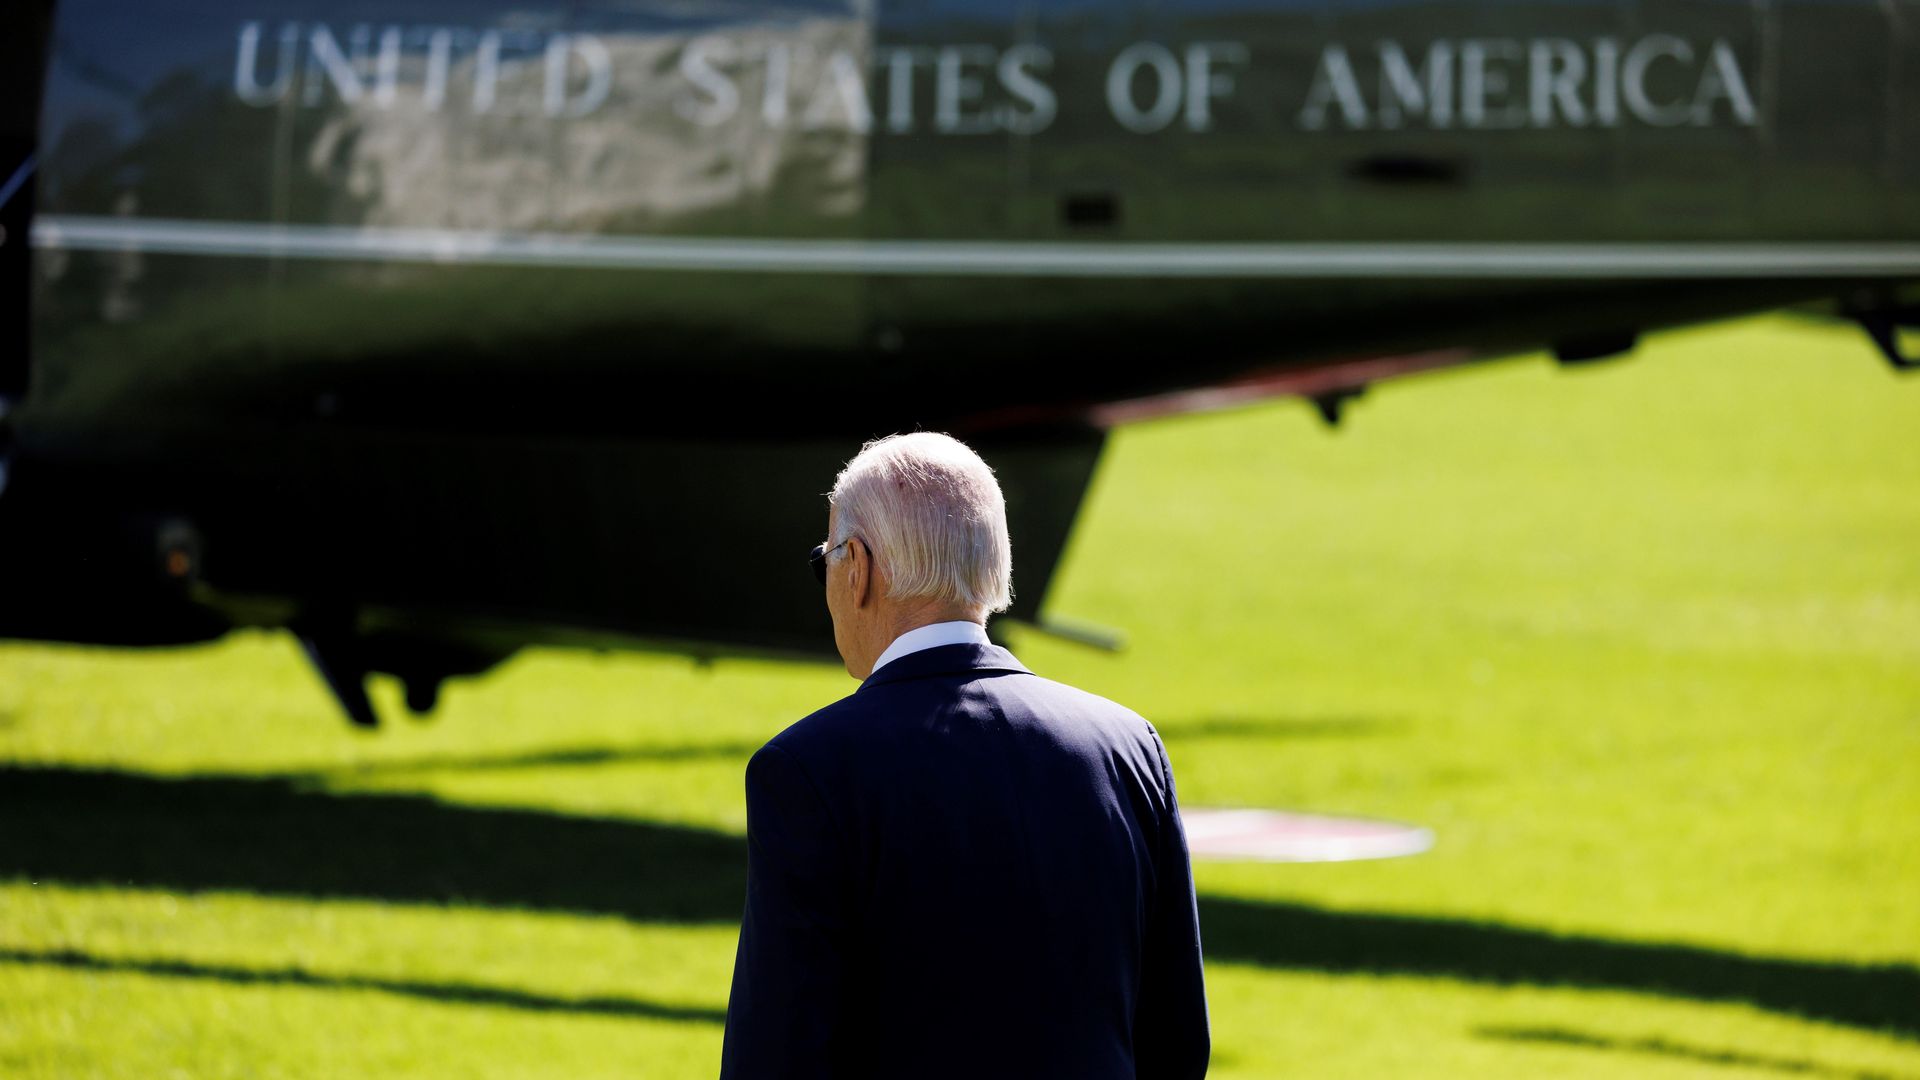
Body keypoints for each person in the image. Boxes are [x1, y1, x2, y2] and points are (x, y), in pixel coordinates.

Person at [719, 432, 1209, 1080]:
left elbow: (776, 1056)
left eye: (826, 561)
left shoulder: (809, 769)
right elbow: (1177, 1041)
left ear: (859, 568)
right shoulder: (1128, 748)